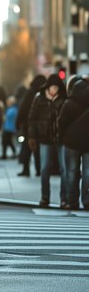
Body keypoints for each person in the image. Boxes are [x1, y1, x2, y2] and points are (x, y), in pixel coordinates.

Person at [28, 74, 68, 208]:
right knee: (45, 168)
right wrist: (32, 136)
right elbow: (32, 118)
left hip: (61, 139)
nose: (54, 90)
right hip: (45, 139)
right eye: (52, 87)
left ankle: (64, 198)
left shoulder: (63, 99)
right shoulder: (39, 99)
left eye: (56, 87)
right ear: (48, 87)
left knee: (64, 169)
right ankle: (45, 197)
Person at [59, 76, 89, 210]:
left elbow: (61, 123)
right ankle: (87, 200)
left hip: (71, 144)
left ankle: (73, 201)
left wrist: (64, 136)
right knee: (88, 173)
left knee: (71, 172)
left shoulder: (68, 103)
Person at [16, 75, 46, 176]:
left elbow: (23, 109)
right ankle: (38, 170)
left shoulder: (30, 92)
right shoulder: (44, 93)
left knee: (27, 149)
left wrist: (18, 123)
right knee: (38, 150)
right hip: (42, 126)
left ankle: (26, 169)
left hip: (28, 126)